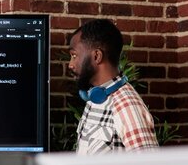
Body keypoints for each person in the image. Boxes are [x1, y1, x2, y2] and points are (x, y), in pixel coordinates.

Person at [68, 18, 159, 154]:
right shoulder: (95, 98)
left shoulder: (127, 107)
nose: (70, 64)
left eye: (74, 55)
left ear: (97, 56)